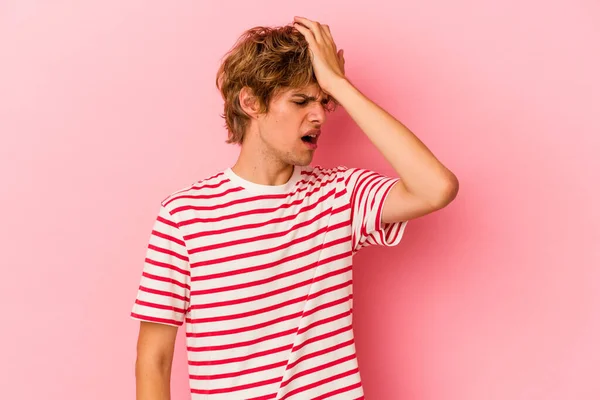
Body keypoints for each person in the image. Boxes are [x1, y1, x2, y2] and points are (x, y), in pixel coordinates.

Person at [130, 16, 458, 400]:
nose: (319, 116)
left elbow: (436, 188)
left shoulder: (340, 195)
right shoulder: (185, 216)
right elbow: (154, 358)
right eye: (301, 100)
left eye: (323, 102)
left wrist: (339, 84)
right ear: (251, 102)